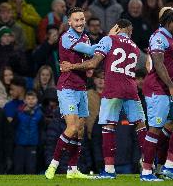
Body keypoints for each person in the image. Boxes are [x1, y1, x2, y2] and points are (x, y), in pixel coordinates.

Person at [61, 19, 147, 180]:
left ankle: (109, 170)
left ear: (118, 28)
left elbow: (93, 63)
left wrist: (72, 66)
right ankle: (149, 169)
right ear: (129, 32)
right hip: (131, 89)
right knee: (141, 126)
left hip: (113, 89)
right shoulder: (135, 48)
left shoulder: (108, 39)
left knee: (108, 128)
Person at [45, 7, 97, 180]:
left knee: (80, 131)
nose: (80, 22)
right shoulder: (66, 37)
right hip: (67, 87)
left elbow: (91, 64)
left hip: (81, 87)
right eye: (76, 20)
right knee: (72, 127)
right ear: (69, 22)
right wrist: (109, 41)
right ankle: (53, 165)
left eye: (82, 19)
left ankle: (72, 169)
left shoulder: (86, 37)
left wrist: (85, 65)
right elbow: (90, 53)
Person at [141, 7, 173, 181]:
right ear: (169, 23)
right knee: (155, 128)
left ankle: (169, 167)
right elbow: (159, 64)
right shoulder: (158, 37)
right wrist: (171, 86)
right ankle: (146, 172)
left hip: (171, 88)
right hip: (157, 89)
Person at [12, 90, 44, 174]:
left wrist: (40, 145)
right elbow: (12, 128)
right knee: (18, 168)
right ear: (25, 100)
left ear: (37, 100)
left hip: (33, 146)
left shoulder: (40, 114)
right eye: (28, 99)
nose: (31, 101)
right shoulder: (18, 113)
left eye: (33, 98)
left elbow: (42, 131)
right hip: (19, 145)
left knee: (31, 169)